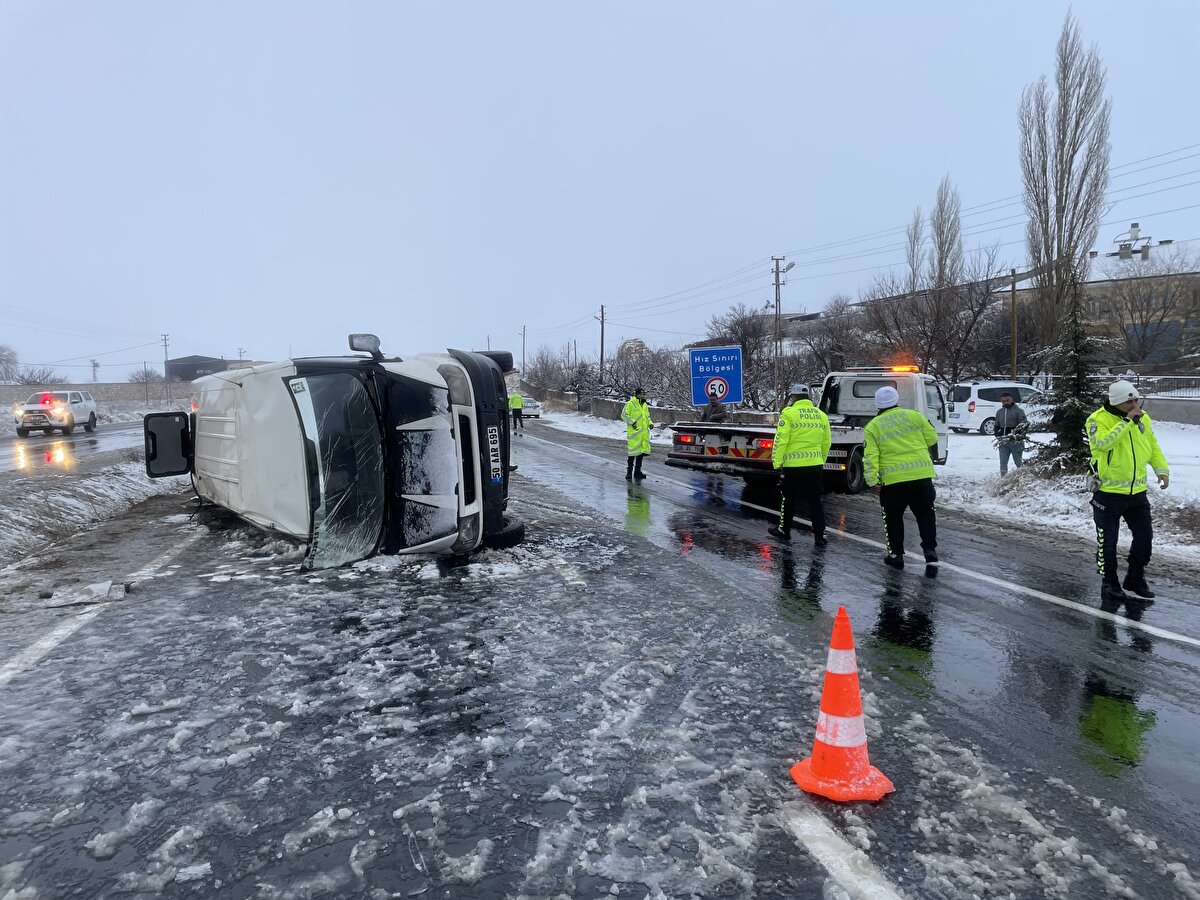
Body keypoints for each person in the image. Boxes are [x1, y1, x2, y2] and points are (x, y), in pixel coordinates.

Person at [1086, 379, 1169, 603]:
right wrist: (1126, 421)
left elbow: (1152, 446)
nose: (1134, 404)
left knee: (1145, 538)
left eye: (1135, 399)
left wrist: (1162, 470)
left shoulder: (1143, 418)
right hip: (1108, 493)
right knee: (1108, 542)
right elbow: (1103, 444)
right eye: (1128, 401)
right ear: (1116, 403)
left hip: (1137, 493)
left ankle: (1135, 577)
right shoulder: (1097, 420)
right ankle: (1109, 582)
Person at [863, 385, 939, 572]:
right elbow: (932, 438)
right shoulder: (915, 416)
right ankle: (930, 551)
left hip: (894, 482)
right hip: (922, 477)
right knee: (926, 515)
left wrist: (872, 480)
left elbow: (870, 457)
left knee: (893, 519)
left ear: (878, 404)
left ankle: (896, 556)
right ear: (897, 400)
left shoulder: (873, 426)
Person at [767, 384, 830, 547]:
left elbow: (781, 440)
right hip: (815, 466)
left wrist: (777, 462)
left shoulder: (789, 414)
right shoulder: (821, 415)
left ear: (793, 398)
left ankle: (784, 530)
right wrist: (821, 460)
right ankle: (820, 536)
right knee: (815, 501)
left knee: (789, 499)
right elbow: (826, 442)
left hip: (794, 467)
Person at [621, 387, 652, 481]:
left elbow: (647, 416)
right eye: (640, 394)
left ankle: (637, 472)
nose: (642, 395)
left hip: (643, 433)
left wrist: (650, 423)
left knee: (640, 454)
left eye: (643, 394)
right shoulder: (630, 404)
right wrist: (632, 422)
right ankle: (629, 472)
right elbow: (624, 415)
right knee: (632, 454)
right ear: (636, 394)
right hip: (634, 433)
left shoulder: (645, 405)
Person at [995, 392, 1028, 475]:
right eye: (1003, 401)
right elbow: (996, 425)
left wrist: (1017, 434)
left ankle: (1022, 478)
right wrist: (998, 433)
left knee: (1018, 462)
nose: (1005, 402)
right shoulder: (999, 412)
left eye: (1007, 400)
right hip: (1003, 441)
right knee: (1003, 463)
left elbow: (1024, 425)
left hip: (1016, 441)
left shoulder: (1019, 411)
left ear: (1012, 400)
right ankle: (1003, 480)